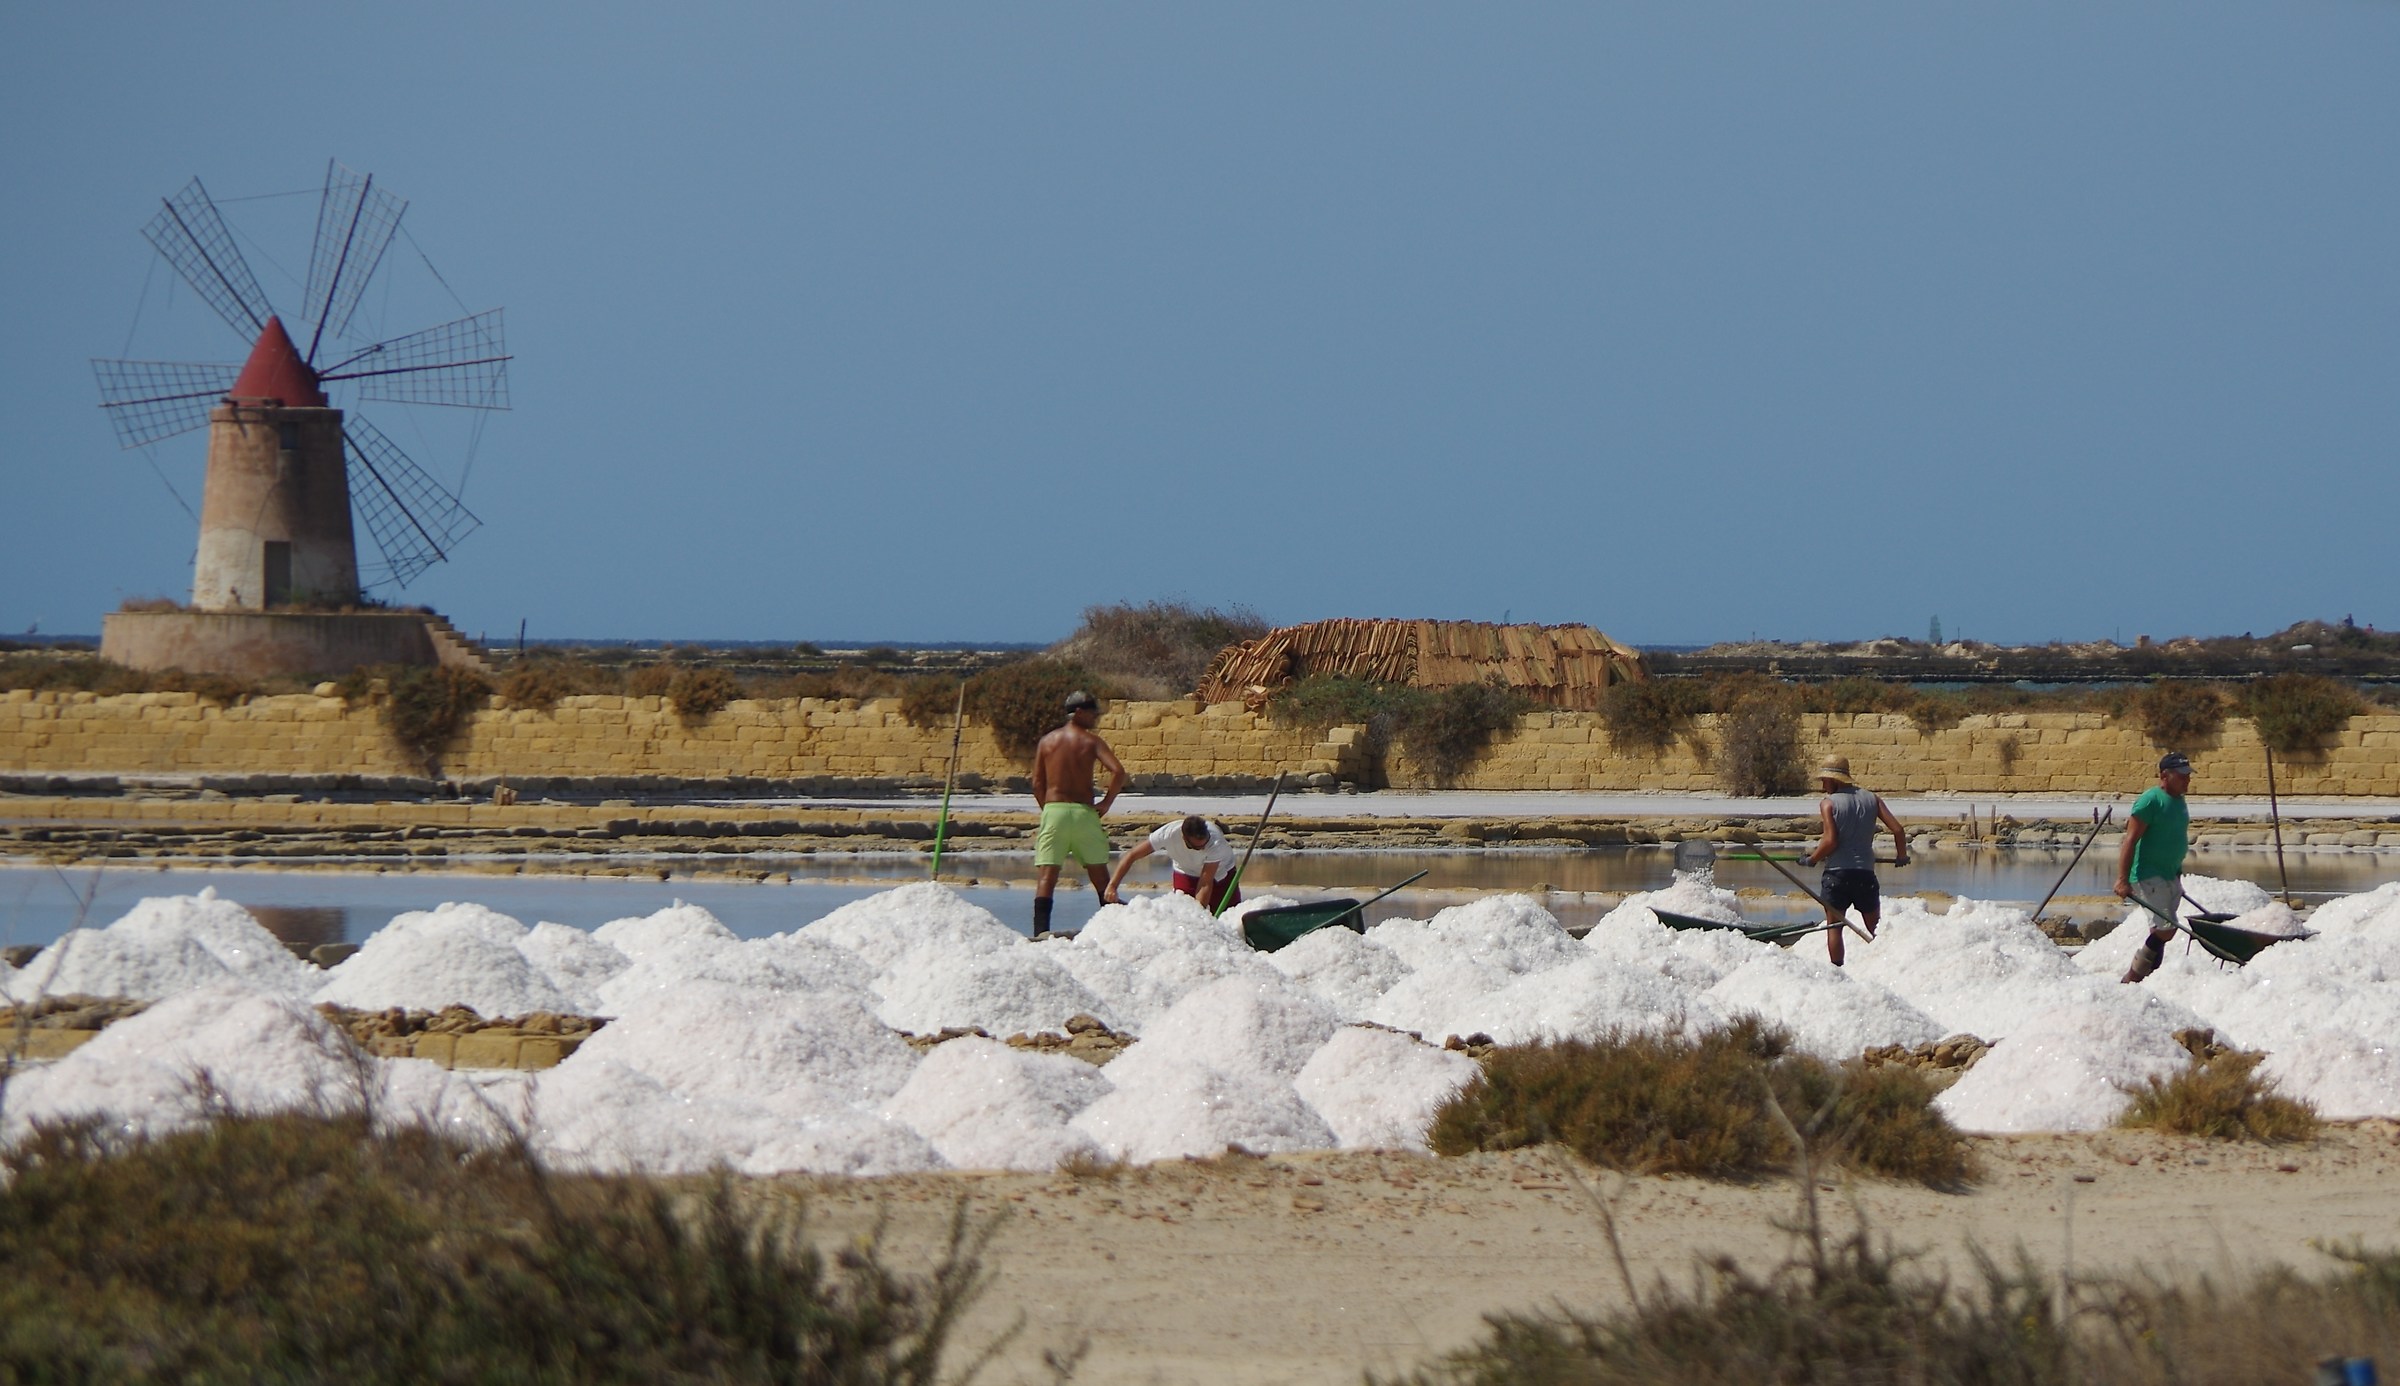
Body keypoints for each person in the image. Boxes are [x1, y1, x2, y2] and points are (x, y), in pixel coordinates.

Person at [1028, 689, 1127, 938]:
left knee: (1047, 875)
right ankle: (1113, 929)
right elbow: (1118, 772)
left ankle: (1040, 932)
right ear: (1079, 713)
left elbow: (1037, 784)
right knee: (1099, 874)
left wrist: (1049, 809)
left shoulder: (1047, 741)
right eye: (1093, 713)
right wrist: (1106, 802)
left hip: (1055, 811)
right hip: (1084, 812)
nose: (1096, 718)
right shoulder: (1091, 741)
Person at [1799, 755, 1909, 967]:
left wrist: (1812, 859)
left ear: (1834, 780)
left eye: (1824, 781)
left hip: (1837, 875)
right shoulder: (1872, 799)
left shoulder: (1828, 804)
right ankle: (1887, 965)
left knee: (1834, 926)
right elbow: (1898, 829)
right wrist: (1901, 856)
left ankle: (1837, 970)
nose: (1823, 786)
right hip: (1864, 874)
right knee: (1875, 927)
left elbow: (1831, 841)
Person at [2114, 752, 2193, 983]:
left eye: (2188, 776)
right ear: (2165, 776)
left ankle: (2148, 977)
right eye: (2182, 776)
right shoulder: (2151, 800)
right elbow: (2130, 840)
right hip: (2147, 875)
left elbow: (2173, 836)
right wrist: (2122, 879)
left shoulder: (2179, 801)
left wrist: (2177, 868)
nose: (2187, 780)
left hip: (2170, 874)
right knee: (2166, 929)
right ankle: (2132, 979)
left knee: (2161, 931)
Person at [1103, 814, 1242, 912]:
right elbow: (1131, 855)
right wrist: (1112, 886)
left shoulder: (1215, 843)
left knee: (1229, 918)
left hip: (1220, 874)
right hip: (1185, 872)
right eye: (1197, 847)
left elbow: (1206, 882)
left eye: (1204, 844)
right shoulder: (1168, 834)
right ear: (1184, 838)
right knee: (1183, 913)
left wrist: (1199, 915)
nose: (1203, 849)